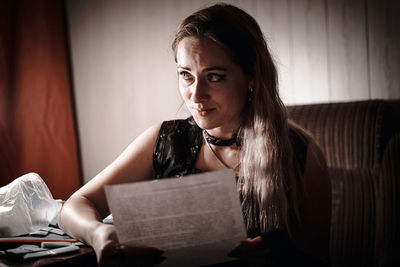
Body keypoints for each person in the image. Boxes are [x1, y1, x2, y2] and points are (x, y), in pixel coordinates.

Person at [58, 3, 331, 266]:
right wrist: (99, 234)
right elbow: (74, 206)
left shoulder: (299, 153)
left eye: (214, 76)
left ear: (251, 77)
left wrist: (278, 260)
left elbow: (320, 258)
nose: (196, 95)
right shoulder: (165, 140)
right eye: (186, 75)